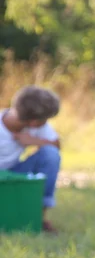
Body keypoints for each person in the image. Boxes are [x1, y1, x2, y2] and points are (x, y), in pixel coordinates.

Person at [0, 86, 62, 233]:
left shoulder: (37, 128)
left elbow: (56, 145)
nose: (46, 122)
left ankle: (38, 217)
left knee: (50, 154)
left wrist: (33, 140)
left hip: (14, 171)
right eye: (45, 119)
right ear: (34, 121)